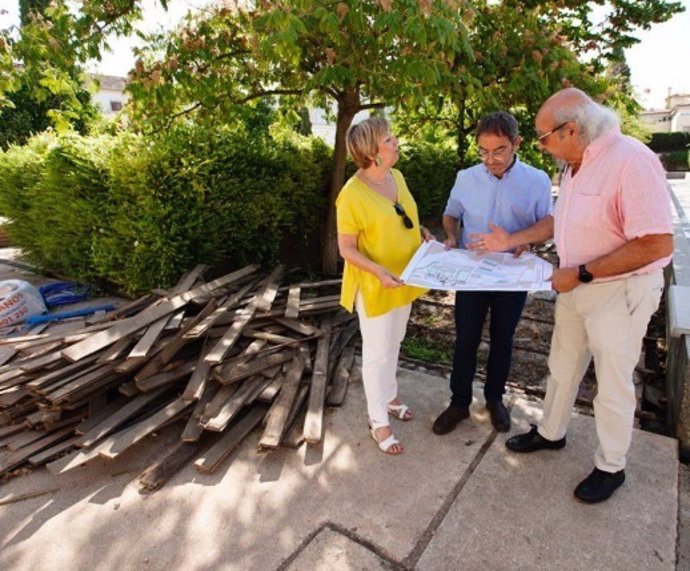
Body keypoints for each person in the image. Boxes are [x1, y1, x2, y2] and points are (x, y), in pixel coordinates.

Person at [473, 88, 674, 503]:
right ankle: (551, 433)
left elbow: (656, 244)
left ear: (572, 129)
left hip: (618, 292)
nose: (542, 147)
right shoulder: (575, 164)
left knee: (613, 384)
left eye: (545, 138)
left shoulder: (631, 161)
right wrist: (512, 239)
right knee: (562, 367)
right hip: (576, 286)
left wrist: (580, 272)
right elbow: (557, 219)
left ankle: (611, 466)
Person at [432, 112, 553, 436]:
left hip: (511, 276)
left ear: (517, 143)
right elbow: (450, 215)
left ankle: (494, 400)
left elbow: (545, 227)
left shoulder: (538, 180)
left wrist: (527, 244)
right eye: (483, 152)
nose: (491, 160)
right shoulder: (465, 177)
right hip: (472, 273)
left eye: (499, 150)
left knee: (503, 340)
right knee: (465, 340)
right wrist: (452, 237)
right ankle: (458, 403)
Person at [336, 117, 431, 455]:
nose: (396, 141)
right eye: (389, 138)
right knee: (376, 354)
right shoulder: (351, 195)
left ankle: (389, 397)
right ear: (373, 152)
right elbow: (346, 248)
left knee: (396, 340)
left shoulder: (397, 177)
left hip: (404, 276)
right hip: (376, 283)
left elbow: (402, 217)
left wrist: (421, 233)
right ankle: (378, 421)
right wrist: (378, 271)